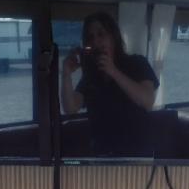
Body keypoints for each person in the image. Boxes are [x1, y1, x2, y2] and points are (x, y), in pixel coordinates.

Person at [61, 12, 159, 156]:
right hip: (102, 155)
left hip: (136, 154)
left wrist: (113, 71)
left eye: (101, 34)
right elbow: (70, 108)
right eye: (90, 38)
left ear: (113, 37)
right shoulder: (91, 76)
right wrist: (66, 75)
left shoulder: (137, 63)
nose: (96, 42)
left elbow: (147, 100)